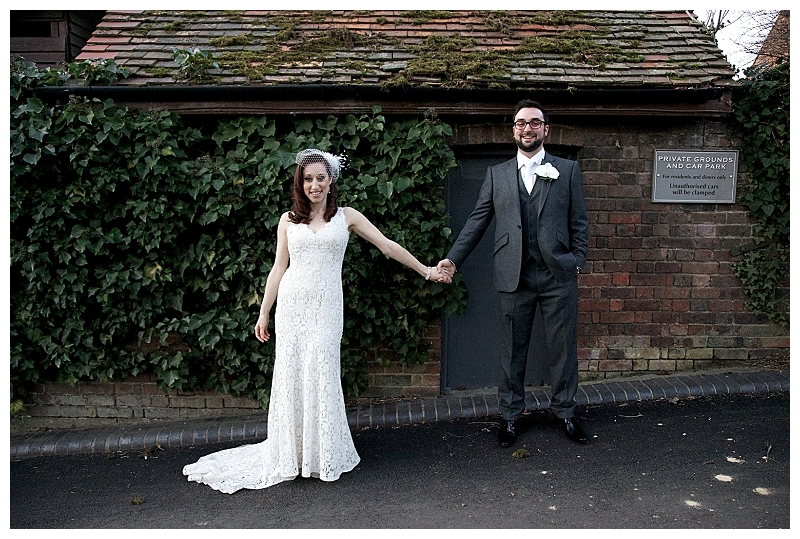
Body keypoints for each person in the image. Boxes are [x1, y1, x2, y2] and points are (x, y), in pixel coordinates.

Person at [183, 148, 447, 493]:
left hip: (326, 308)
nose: (314, 184)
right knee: (292, 373)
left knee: (322, 370)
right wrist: (264, 312)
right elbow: (279, 268)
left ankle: (321, 453)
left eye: (321, 177)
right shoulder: (288, 220)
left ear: (331, 179)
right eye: (308, 179)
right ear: (300, 183)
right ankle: (293, 454)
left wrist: (427, 271)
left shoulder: (348, 217)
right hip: (292, 306)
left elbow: (387, 245)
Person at [437, 99, 589, 447]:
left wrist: (576, 260)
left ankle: (566, 413)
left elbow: (579, 221)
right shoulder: (498, 175)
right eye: (521, 123)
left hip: (557, 276)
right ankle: (509, 417)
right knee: (511, 351)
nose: (528, 128)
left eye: (535, 123)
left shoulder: (567, 171)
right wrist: (453, 260)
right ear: (514, 130)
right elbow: (477, 222)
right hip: (513, 275)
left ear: (545, 130)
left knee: (563, 349)